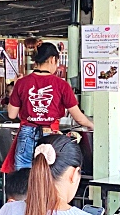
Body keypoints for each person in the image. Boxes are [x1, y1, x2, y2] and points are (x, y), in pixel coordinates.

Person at [8, 41, 94, 169]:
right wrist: (93, 126)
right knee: (48, 176)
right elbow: (79, 118)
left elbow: (11, 114)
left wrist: (16, 86)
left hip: (26, 135)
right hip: (51, 135)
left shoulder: (22, 83)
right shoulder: (62, 85)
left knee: (23, 177)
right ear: (53, 59)